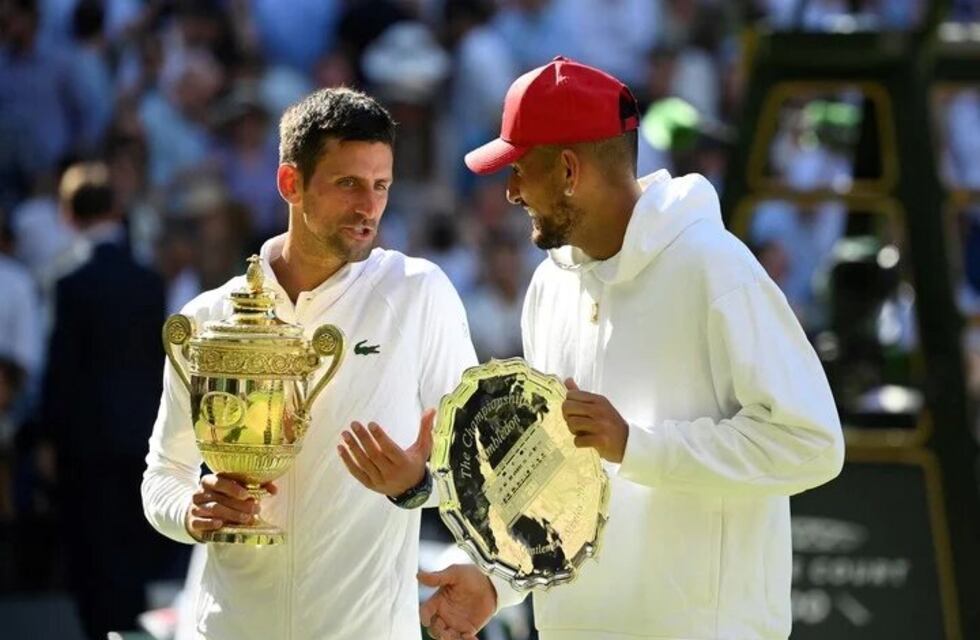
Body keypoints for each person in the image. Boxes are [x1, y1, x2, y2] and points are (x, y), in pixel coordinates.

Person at [417, 57, 845, 640]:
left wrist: (636, 446)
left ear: (569, 169)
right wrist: (500, 582)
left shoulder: (714, 268)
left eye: (519, 168)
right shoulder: (549, 286)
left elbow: (812, 443)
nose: (511, 191)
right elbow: (557, 486)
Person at [141, 88, 477, 638]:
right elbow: (163, 476)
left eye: (381, 186)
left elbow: (472, 462)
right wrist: (191, 510)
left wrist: (417, 480)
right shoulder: (210, 316)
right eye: (348, 184)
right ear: (290, 184)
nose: (368, 207)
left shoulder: (420, 293)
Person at [40, 162, 184, 639]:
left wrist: (48, 439)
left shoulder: (69, 282)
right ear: (117, 210)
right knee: (134, 547)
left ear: (68, 214)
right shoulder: (147, 280)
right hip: (140, 434)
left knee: (94, 553)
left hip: (88, 444)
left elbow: (63, 371)